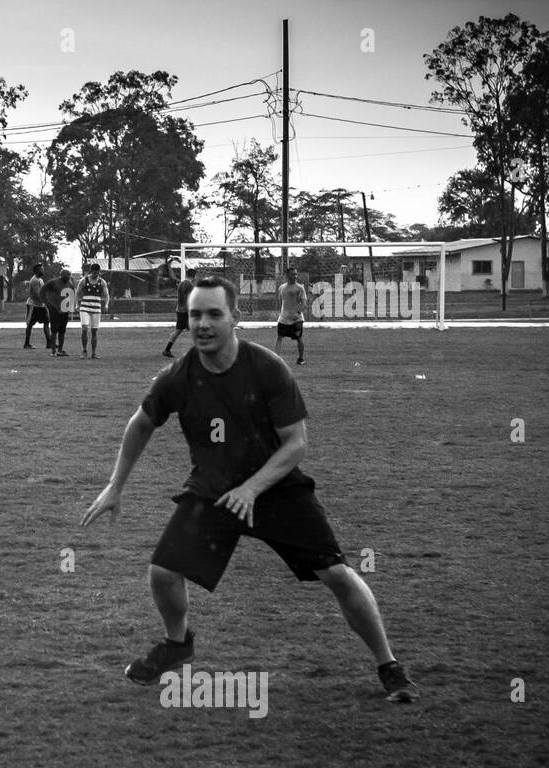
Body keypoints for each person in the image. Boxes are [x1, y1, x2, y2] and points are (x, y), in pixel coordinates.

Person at [81, 276, 419, 703]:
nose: (202, 323)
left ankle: (389, 666)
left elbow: (296, 443)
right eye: (195, 314)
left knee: (337, 574)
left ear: (235, 318)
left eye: (213, 314)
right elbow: (141, 423)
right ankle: (177, 643)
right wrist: (115, 486)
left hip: (276, 489)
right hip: (213, 491)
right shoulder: (178, 377)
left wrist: (253, 488)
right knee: (163, 573)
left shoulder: (266, 367)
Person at [76, 263, 109, 359]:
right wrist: (77, 305)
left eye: (97, 273)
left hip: (96, 308)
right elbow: (77, 293)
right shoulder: (83, 280)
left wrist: (106, 304)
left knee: (94, 331)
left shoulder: (102, 282)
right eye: (94, 273)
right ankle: (84, 350)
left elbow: (107, 295)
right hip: (85, 308)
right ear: (91, 271)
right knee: (85, 328)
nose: (96, 275)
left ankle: (93, 353)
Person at [275, 266, 307, 365]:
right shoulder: (281, 288)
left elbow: (304, 303)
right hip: (283, 319)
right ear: (287, 275)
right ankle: (276, 359)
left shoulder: (299, 288)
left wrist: (297, 313)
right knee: (279, 337)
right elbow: (281, 302)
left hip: (296, 319)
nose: (295, 276)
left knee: (299, 338)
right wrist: (281, 313)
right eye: (293, 274)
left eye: (296, 274)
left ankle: (301, 359)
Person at [41, 267, 75, 357]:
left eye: (69, 276)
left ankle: (60, 350)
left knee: (62, 331)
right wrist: (47, 303)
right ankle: (53, 351)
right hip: (54, 309)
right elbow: (42, 290)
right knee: (54, 330)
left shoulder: (70, 284)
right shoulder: (53, 282)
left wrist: (70, 306)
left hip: (64, 310)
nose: (68, 277)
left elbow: (72, 294)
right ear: (62, 276)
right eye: (67, 276)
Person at [163, 266, 196, 358]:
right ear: (194, 276)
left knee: (178, 330)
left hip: (179, 309)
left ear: (186, 274)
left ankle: (167, 350)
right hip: (186, 311)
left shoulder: (181, 284)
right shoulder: (190, 286)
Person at [23, 263, 50, 350]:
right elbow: (37, 295)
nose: (42, 270)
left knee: (46, 321)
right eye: (40, 269)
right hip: (33, 305)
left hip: (41, 305)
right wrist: (46, 301)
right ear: (35, 271)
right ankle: (26, 344)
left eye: (43, 269)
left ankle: (49, 343)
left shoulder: (40, 280)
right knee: (30, 324)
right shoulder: (34, 280)